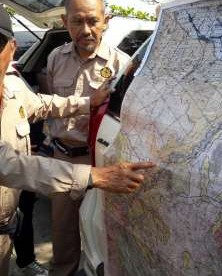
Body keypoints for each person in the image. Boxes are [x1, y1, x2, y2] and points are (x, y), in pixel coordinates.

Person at [0, 0, 154, 275]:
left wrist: (86, 103)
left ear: (12, 48)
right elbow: (4, 163)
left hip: (1, 239)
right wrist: (95, 176)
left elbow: (43, 103)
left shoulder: (14, 86)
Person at [44, 0, 131, 274]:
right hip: (62, 161)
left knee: (102, 236)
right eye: (77, 22)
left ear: (106, 20)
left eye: (92, 21)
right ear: (64, 22)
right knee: (63, 237)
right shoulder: (55, 57)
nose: (86, 30)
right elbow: (50, 105)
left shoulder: (121, 63)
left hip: (100, 163)